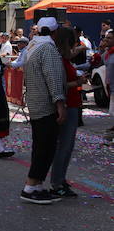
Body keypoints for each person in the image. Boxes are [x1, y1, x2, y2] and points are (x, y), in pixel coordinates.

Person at [20, 17, 67, 204]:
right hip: (45, 104)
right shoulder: (47, 48)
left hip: (35, 101)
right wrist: (60, 103)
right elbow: (53, 78)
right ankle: (30, 186)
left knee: (41, 145)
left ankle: (37, 185)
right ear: (54, 33)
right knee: (45, 147)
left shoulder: (33, 45)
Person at [49, 26, 87, 198]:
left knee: (67, 146)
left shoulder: (62, 57)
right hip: (67, 104)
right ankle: (57, 182)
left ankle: (60, 179)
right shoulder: (59, 60)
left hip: (72, 103)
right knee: (63, 146)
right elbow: (58, 84)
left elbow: (71, 54)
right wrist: (77, 81)